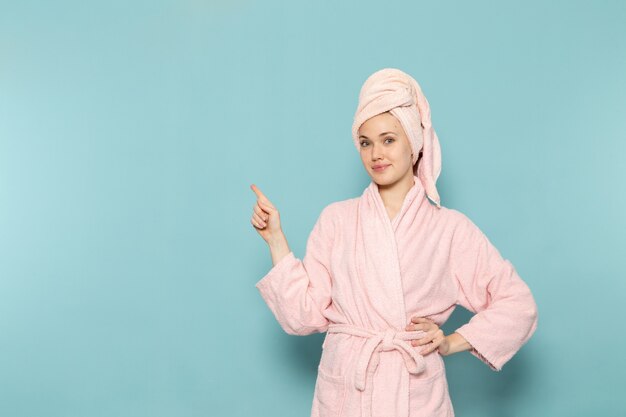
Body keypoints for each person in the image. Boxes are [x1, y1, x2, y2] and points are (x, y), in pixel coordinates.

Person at [250, 68, 538, 417]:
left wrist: (450, 342)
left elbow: (517, 304)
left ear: (414, 144)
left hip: (414, 394)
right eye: (366, 142)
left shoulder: (449, 229)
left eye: (388, 140)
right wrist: (275, 240)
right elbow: (303, 315)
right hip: (347, 393)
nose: (376, 154)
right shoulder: (337, 220)